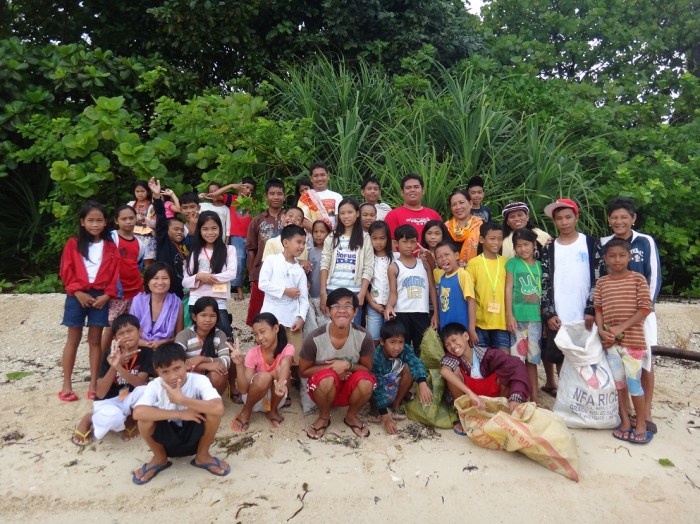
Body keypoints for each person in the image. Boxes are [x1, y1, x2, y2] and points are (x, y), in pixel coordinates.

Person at [600, 197, 661, 434]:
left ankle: (646, 414)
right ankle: (624, 412)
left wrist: (645, 310)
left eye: (624, 217)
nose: (619, 221)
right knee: (618, 362)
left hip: (641, 314)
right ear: (609, 220)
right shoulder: (605, 244)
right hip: (614, 317)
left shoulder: (645, 241)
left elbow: (654, 276)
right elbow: (599, 278)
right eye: (615, 217)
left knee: (644, 361)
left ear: (633, 218)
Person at [132, 343, 229, 484]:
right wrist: (180, 413)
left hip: (195, 434)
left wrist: (182, 400)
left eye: (177, 368)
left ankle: (202, 456)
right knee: (144, 420)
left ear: (187, 364)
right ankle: (159, 458)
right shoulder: (155, 385)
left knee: (213, 412)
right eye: (165, 371)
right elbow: (138, 413)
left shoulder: (199, 380)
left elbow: (218, 408)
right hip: (166, 438)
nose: (173, 376)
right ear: (157, 371)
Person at [594, 239, 653, 444]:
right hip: (611, 343)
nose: (617, 260)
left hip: (633, 341)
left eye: (622, 255)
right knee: (619, 384)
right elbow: (598, 309)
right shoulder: (602, 283)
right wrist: (602, 331)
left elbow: (645, 308)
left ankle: (641, 423)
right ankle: (625, 421)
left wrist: (621, 328)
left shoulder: (638, 279)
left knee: (634, 383)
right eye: (612, 256)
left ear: (629, 257)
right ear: (605, 258)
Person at [541, 198, 602, 396]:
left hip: (584, 315)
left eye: (568, 217)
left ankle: (587, 396)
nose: (564, 222)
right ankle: (568, 396)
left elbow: (599, 278)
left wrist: (591, 308)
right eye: (559, 218)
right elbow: (544, 281)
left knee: (587, 357)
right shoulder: (549, 248)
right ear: (554, 221)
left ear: (576, 217)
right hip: (559, 315)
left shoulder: (591, 243)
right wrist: (549, 313)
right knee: (561, 357)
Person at [58, 201, 118, 402]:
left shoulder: (110, 247)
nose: (95, 224)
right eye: (90, 220)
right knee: (73, 339)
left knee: (95, 340)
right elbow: (66, 270)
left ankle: (93, 383)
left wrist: (107, 295)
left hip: (101, 295)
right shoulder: (73, 244)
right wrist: (77, 292)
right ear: (82, 222)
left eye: (99, 220)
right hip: (77, 295)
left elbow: (114, 274)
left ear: (105, 222)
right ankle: (67, 384)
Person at [299, 288, 376, 439]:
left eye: (347, 306)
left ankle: (351, 416)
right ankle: (324, 417)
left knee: (367, 382)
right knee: (327, 378)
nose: (342, 310)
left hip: (350, 389)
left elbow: (367, 368)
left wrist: (348, 365)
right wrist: (332, 368)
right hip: (322, 389)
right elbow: (303, 371)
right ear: (328, 311)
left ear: (355, 311)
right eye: (336, 306)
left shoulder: (364, 336)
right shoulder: (314, 338)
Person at [71, 314, 153, 446]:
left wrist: (119, 367)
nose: (126, 336)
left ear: (140, 331)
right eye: (121, 333)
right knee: (113, 419)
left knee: (146, 390)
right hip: (109, 401)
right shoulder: (109, 355)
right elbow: (100, 393)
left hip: (130, 397)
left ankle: (131, 418)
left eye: (130, 331)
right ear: (115, 338)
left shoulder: (147, 353)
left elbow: (140, 384)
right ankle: (89, 418)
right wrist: (114, 365)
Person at [440, 322, 531, 433]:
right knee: (453, 373)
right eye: (448, 345)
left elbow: (517, 365)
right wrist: (470, 393)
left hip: (493, 401)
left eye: (454, 340)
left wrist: (516, 397)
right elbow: (444, 371)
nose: (452, 346)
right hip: (470, 402)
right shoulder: (451, 357)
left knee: (508, 369)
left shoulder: (487, 354)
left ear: (466, 336)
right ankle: (463, 416)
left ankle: (501, 413)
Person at [230, 313, 294, 432]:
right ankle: (246, 411)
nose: (259, 337)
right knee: (265, 377)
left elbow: (286, 363)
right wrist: (239, 365)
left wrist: (281, 383)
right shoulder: (253, 353)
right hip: (253, 400)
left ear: (276, 329)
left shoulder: (287, 348)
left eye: (262, 332)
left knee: (282, 371)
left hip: (277, 397)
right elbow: (243, 390)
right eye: (255, 334)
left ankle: (273, 411)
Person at [370, 319, 432, 434]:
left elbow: (416, 363)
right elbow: (377, 386)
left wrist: (422, 383)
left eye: (401, 342)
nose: (397, 347)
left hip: (393, 386)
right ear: (382, 342)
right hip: (380, 389)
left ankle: (396, 405)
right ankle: (376, 409)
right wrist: (385, 417)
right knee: (370, 381)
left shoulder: (406, 349)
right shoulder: (376, 356)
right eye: (392, 342)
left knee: (409, 368)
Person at [182, 210, 237, 339]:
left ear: (220, 229)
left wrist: (207, 278)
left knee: (225, 336)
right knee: (199, 338)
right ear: (199, 231)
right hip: (197, 300)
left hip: (218, 300)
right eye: (205, 229)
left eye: (214, 228)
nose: (210, 232)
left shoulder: (229, 250)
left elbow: (231, 274)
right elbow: (185, 282)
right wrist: (198, 277)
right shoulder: (195, 252)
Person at [259, 224, 310, 363]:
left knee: (293, 359)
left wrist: (301, 318)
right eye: (298, 242)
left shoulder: (299, 270)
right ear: (286, 242)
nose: (301, 246)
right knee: (270, 359)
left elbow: (304, 298)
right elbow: (262, 284)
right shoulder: (271, 260)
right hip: (271, 319)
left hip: (292, 321)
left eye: (304, 243)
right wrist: (285, 291)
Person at [385, 225, 439, 353]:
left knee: (422, 349)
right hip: (401, 313)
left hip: (422, 312)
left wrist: (436, 313)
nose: (409, 246)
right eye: (405, 242)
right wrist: (389, 306)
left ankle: (419, 367)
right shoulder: (394, 267)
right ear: (396, 243)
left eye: (413, 242)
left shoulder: (424, 264)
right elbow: (393, 292)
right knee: (404, 349)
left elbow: (432, 288)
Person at [320, 198, 374, 324]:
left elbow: (368, 267)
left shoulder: (365, 238)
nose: (346, 216)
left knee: (353, 330)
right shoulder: (332, 237)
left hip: (354, 291)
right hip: (332, 289)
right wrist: (323, 292)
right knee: (332, 328)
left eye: (350, 212)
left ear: (357, 213)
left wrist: (362, 293)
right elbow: (324, 264)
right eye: (342, 213)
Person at [100, 205, 145, 353]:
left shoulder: (140, 243)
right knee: (111, 328)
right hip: (116, 293)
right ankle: (102, 360)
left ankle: (126, 359)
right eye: (124, 219)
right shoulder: (111, 238)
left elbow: (137, 265)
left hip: (135, 292)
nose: (128, 222)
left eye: (131, 218)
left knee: (131, 328)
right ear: (116, 220)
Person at [505, 228, 542, 403]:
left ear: (534, 244)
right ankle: (519, 395)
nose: (523, 249)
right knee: (517, 360)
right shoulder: (512, 264)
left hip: (536, 319)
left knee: (532, 359)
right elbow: (508, 289)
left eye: (526, 244)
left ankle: (534, 396)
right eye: (518, 246)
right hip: (517, 318)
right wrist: (509, 315)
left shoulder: (541, 266)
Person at [205, 178, 256, 301]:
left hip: (251, 236)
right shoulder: (232, 199)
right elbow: (214, 195)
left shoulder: (254, 203)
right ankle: (238, 289)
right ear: (240, 186)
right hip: (236, 236)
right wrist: (232, 186)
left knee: (252, 263)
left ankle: (253, 288)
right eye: (245, 187)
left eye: (250, 189)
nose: (247, 190)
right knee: (239, 261)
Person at [246, 179, 286, 326]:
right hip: (262, 273)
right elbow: (251, 250)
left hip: (285, 272)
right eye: (272, 193)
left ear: (285, 197)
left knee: (282, 312)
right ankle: (259, 338)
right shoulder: (257, 221)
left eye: (279, 194)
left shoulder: (290, 218)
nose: (276, 197)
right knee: (259, 313)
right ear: (265, 196)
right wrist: (252, 275)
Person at [466, 222, 509, 352]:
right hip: (480, 323)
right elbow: (470, 297)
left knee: (504, 359)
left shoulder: (506, 263)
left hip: (502, 323)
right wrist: (471, 328)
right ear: (482, 239)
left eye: (500, 239)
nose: (497, 242)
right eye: (492, 238)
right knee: (481, 360)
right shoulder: (473, 264)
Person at [175, 297, 231, 394]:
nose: (208, 320)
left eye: (212, 316)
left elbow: (226, 361)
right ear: (194, 317)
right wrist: (207, 366)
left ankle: (212, 400)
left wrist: (201, 359)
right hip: (187, 379)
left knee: (219, 373)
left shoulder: (220, 335)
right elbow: (175, 362)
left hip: (210, 379)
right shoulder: (184, 335)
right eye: (203, 315)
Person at [149, 178, 190, 298]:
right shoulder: (164, 242)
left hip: (182, 292)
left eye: (181, 230)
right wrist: (157, 197)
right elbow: (161, 218)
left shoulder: (183, 245)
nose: (179, 232)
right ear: (166, 230)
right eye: (176, 229)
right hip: (166, 292)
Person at [130, 262, 184, 348]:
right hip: (139, 348)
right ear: (148, 282)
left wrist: (163, 343)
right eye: (155, 278)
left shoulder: (177, 303)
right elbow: (130, 334)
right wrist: (147, 345)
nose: (160, 282)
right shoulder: (138, 301)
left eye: (165, 278)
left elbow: (179, 336)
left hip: (165, 349)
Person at [433, 241, 476, 331]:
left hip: (461, 328)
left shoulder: (462, 275)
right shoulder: (441, 277)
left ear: (456, 255)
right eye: (439, 257)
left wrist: (471, 329)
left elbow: (471, 301)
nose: (443, 259)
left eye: (446, 254)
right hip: (445, 329)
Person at [384, 174, 442, 240]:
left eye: (416, 187)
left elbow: (443, 238)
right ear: (402, 192)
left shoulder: (434, 215)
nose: (412, 190)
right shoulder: (393, 215)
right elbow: (391, 242)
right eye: (408, 188)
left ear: (423, 191)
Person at [366, 221, 392, 345]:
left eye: (382, 238)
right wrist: (372, 304)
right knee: (374, 340)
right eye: (374, 238)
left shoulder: (395, 258)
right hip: (374, 306)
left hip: (392, 307)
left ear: (388, 238)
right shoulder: (368, 259)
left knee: (390, 339)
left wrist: (391, 304)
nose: (378, 242)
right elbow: (364, 285)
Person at [305, 220, 332, 335]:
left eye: (322, 231)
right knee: (312, 325)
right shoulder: (309, 251)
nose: (318, 234)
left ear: (329, 233)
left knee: (326, 324)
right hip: (311, 295)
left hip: (326, 295)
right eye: (315, 232)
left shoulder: (332, 252)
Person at [298, 162, 343, 229]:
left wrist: (330, 234)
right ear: (311, 178)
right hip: (312, 235)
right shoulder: (305, 198)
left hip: (333, 234)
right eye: (316, 176)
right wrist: (319, 233)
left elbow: (339, 220)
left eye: (322, 175)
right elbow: (304, 220)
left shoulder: (337, 197)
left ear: (328, 176)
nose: (319, 178)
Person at [444, 189, 483, 264]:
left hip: (477, 269)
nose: (458, 207)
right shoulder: (445, 228)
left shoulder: (481, 226)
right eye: (454, 204)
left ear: (470, 203)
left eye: (461, 202)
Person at [128, 180, 156, 267]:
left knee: (148, 262)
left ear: (148, 192)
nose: (140, 193)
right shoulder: (130, 204)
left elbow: (155, 223)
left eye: (142, 191)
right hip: (133, 236)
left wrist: (144, 219)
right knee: (132, 261)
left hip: (148, 237)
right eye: (137, 191)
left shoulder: (152, 206)